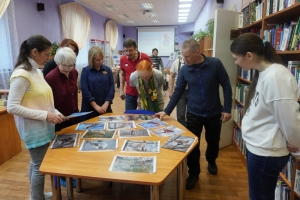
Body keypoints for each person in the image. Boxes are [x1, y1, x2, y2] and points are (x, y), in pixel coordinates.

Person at [155, 38, 232, 190]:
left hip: (214, 112)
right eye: (183, 56)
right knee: (192, 144)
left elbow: (227, 86)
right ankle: (194, 173)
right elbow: (177, 92)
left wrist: (227, 109)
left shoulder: (215, 64)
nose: (184, 60)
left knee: (213, 141)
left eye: (187, 56)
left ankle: (211, 160)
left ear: (198, 52)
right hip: (194, 113)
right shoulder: (184, 69)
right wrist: (166, 111)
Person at [230, 33, 300, 200]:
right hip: (261, 149)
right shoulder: (263, 73)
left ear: (249, 55)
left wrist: (297, 145)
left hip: (267, 153)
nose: (235, 62)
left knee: (259, 196)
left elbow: (289, 119)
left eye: (236, 58)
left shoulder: (276, 77)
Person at [7, 35, 64, 200]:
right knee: (40, 166)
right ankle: (36, 198)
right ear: (34, 52)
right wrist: (46, 115)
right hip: (34, 130)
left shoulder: (37, 72)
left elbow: (44, 99)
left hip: (44, 126)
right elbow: (12, 107)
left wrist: (55, 111)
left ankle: (35, 194)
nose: (49, 58)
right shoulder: (21, 75)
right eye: (46, 54)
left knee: (35, 163)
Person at [45, 47, 78, 132]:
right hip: (59, 119)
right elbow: (47, 102)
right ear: (58, 63)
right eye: (64, 66)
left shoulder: (74, 72)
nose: (67, 69)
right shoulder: (51, 77)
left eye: (70, 65)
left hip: (74, 116)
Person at [80, 46, 115, 120]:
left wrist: (107, 103)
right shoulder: (86, 71)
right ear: (91, 60)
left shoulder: (107, 70)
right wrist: (95, 106)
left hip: (105, 107)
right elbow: (85, 90)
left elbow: (111, 87)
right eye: (98, 60)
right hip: (90, 108)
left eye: (102, 58)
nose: (101, 61)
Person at [119, 38, 152, 110]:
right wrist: (121, 90)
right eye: (126, 51)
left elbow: (151, 73)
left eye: (130, 50)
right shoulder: (123, 59)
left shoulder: (145, 57)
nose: (128, 53)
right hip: (130, 93)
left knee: (144, 117)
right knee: (130, 116)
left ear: (136, 48)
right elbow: (122, 74)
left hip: (144, 93)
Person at [169, 56, 188, 127]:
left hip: (193, 92)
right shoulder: (177, 62)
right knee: (180, 115)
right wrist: (170, 90)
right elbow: (171, 76)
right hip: (180, 93)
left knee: (191, 116)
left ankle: (191, 133)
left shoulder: (194, 62)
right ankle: (183, 132)